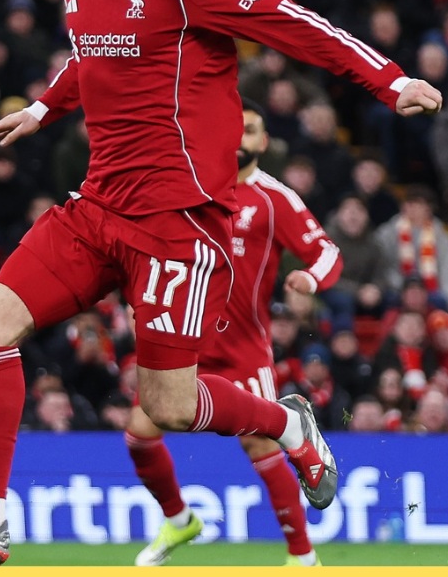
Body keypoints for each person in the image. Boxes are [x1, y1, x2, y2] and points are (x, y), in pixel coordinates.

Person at [0, 0, 441, 565]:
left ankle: (290, 428)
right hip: (96, 209)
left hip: (178, 224)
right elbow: (92, 57)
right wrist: (40, 108)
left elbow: (292, 25)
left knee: (169, 407)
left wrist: (390, 79)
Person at [126, 102, 340, 567]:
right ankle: (180, 520)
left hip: (244, 350)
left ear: (264, 142)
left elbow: (326, 251)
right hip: (187, 341)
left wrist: (311, 279)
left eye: (252, 131)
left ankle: (303, 558)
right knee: (139, 435)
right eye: (234, 127)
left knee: (262, 443)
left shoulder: (273, 197)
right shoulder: (191, 186)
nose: (240, 137)